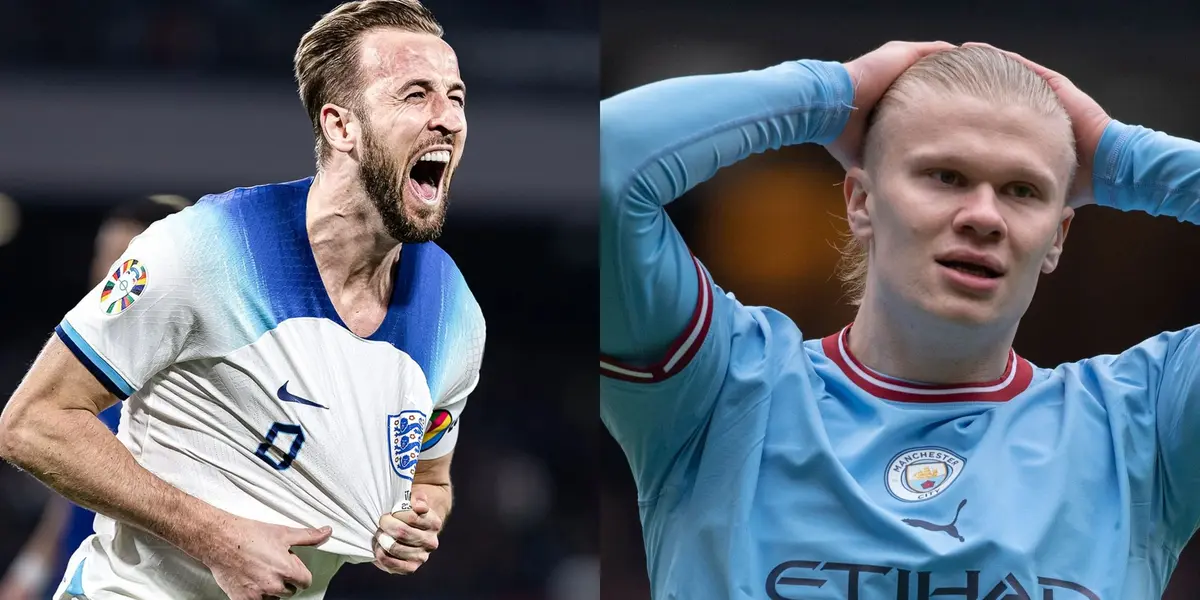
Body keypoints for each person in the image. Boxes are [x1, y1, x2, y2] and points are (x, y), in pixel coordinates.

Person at [599, 40, 1200, 599]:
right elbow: (606, 166)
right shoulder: (723, 389)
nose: (984, 216)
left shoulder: (1140, 426)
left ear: (1056, 238)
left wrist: (1124, 158)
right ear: (860, 201)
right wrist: (827, 95)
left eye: (1023, 190)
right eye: (946, 176)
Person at [0, 1, 486, 598]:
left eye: (456, 96)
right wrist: (214, 536)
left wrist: (423, 518)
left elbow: (431, 479)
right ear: (341, 126)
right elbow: (31, 424)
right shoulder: (206, 248)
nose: (449, 119)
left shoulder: (455, 314)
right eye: (416, 95)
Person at [0, 196, 192, 600]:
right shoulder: (88, 374)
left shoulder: (188, 387)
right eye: (103, 258)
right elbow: (71, 491)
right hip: (80, 581)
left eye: (123, 262)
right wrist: (28, 572)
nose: (108, 277)